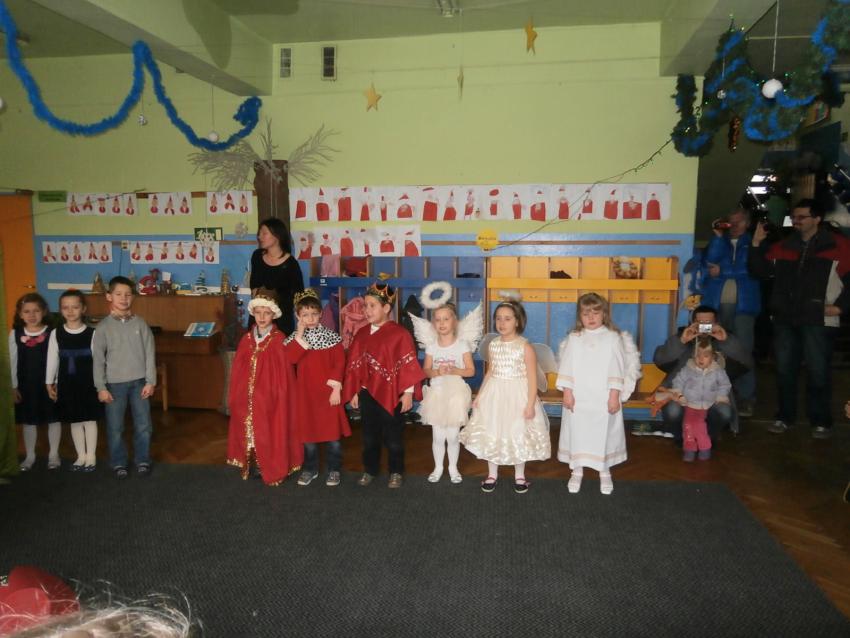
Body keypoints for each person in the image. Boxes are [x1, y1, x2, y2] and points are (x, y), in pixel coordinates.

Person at [749, 198, 850, 439]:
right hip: (785, 317)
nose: (796, 221)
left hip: (819, 318)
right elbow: (759, 271)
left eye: (802, 217)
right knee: (785, 371)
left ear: (817, 219)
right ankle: (785, 417)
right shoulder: (784, 246)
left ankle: (821, 422)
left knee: (818, 372)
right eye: (794, 216)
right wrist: (756, 244)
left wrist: (840, 307)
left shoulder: (839, 246)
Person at [459, 299, 550, 494]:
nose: (502, 323)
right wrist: (480, 395)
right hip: (495, 394)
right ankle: (492, 474)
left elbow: (532, 378)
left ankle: (520, 475)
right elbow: (491, 371)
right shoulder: (493, 345)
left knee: (518, 432)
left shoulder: (525, 347)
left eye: (507, 318)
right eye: (498, 318)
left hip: (518, 396)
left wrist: (530, 404)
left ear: (517, 321)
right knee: (493, 430)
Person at [343, 283, 425, 489]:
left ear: (386, 308)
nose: (367, 310)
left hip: (392, 394)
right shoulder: (361, 334)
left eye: (372, 306)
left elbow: (408, 365)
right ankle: (370, 469)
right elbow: (356, 365)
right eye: (365, 306)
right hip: (367, 394)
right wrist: (354, 391)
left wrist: (408, 393)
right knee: (369, 436)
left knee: (393, 437)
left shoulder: (400, 334)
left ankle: (396, 471)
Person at [557, 293, 640, 495]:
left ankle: (604, 470)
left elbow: (617, 367)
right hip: (578, 396)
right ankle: (576, 470)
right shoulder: (574, 338)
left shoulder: (612, 338)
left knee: (604, 434)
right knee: (577, 432)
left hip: (603, 397)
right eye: (586, 314)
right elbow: (566, 366)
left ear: (604, 314)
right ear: (580, 316)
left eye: (595, 312)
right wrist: (567, 392)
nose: (591, 318)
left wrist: (614, 395)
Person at [227, 295, 301, 486]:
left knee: (269, 430)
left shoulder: (279, 340)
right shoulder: (246, 340)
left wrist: (277, 395)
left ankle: (269, 464)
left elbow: (283, 374)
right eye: (258, 313)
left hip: (269, 397)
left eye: (266, 313)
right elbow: (238, 370)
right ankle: (254, 461)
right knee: (251, 430)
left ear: (273, 315)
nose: (261, 317)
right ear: (253, 314)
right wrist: (237, 394)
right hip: (247, 397)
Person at [652, 305, 751, 442]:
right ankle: (682, 438)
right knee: (672, 411)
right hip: (681, 396)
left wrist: (726, 341)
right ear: (692, 323)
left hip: (712, 397)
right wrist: (681, 342)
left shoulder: (725, 340)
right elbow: (659, 359)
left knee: (724, 412)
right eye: (700, 323)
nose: (704, 327)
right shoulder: (682, 337)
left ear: (717, 323)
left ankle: (707, 438)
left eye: (708, 323)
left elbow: (747, 362)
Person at [92, 276, 156, 479]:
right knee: (115, 427)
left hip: (139, 384)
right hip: (114, 386)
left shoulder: (141, 324)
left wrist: (150, 381)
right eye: (118, 294)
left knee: (143, 425)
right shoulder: (103, 327)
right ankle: (119, 461)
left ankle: (142, 459)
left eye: (128, 294)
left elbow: (150, 353)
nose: (123, 298)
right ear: (109, 296)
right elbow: (98, 360)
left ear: (133, 297)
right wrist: (101, 387)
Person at [284, 289, 351, 488]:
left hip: (328, 395)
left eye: (314, 314)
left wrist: (336, 389)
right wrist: (300, 333)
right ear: (298, 316)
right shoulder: (294, 339)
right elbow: (291, 358)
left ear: (321, 314)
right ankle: (310, 469)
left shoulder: (331, 338)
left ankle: (334, 469)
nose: (310, 318)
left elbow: (339, 364)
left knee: (333, 437)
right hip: (305, 395)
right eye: (305, 315)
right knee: (308, 436)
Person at [701, 207, 760, 415]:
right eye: (730, 222)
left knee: (743, 351)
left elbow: (752, 268)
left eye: (739, 221)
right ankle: (716, 395)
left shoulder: (755, 242)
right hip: (715, 307)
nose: (733, 226)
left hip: (744, 306)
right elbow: (708, 263)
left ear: (748, 223)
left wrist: (723, 271)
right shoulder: (720, 241)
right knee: (712, 349)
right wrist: (718, 237)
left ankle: (746, 397)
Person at [416, 303, 478, 484]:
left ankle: (452, 467)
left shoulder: (462, 345)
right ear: (433, 324)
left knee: (452, 436)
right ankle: (438, 467)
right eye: (438, 319)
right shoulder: (431, 347)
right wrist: (437, 372)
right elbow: (425, 370)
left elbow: (471, 371)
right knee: (438, 436)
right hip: (436, 394)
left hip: (455, 395)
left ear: (454, 322)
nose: (442, 323)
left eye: (446, 319)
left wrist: (455, 370)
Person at [45, 290, 101, 472]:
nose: (70, 311)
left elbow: (99, 361)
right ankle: (80, 455)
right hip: (67, 383)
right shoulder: (56, 333)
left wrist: (100, 384)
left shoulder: (93, 333)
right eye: (65, 307)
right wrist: (49, 382)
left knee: (89, 419)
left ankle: (91, 456)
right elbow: (52, 359)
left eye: (75, 307)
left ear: (83, 309)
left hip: (88, 383)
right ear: (60, 310)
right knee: (74, 420)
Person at [9, 293, 60, 471]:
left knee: (53, 418)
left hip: (48, 384)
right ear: (20, 314)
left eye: (36, 311)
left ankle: (54, 455)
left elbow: (57, 359)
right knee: (29, 420)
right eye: (27, 311)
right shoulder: (15, 334)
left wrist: (55, 382)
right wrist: (13, 386)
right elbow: (12, 361)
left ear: (44, 312)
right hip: (26, 385)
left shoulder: (52, 333)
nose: (32, 315)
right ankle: (30, 455)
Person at [663, 336, 731, 462]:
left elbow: (725, 385)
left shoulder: (718, 371)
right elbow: (678, 381)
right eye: (698, 355)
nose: (701, 359)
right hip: (690, 403)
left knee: (699, 426)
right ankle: (689, 449)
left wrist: (721, 396)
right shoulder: (688, 369)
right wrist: (679, 394)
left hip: (708, 404)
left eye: (705, 356)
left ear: (712, 357)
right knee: (688, 426)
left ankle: (705, 448)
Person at [249, 217, 304, 335]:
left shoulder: (291, 264)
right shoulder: (257, 256)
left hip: (281, 321)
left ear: (277, 236)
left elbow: (298, 294)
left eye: (264, 233)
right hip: (259, 317)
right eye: (259, 233)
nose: (259, 237)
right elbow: (253, 285)